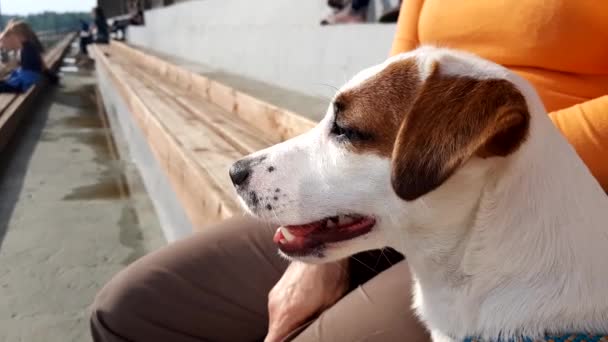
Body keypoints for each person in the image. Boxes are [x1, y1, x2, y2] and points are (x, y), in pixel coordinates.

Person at [90, 1, 608, 341]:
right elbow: (398, 76)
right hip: (415, 184)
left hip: (528, 211)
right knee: (130, 311)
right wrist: (322, 250)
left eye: (341, 134)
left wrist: (494, 145)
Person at [0, 21, 50, 93]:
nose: (13, 39)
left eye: (14, 35)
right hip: (26, 80)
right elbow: (41, 66)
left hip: (24, 83)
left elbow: (40, 66)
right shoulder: (28, 47)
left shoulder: (28, 48)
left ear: (20, 35)